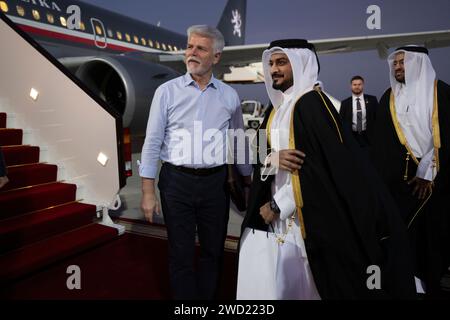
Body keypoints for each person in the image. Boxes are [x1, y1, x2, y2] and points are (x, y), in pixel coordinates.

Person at [237, 39, 416, 300]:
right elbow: (261, 154)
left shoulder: (311, 105)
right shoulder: (275, 110)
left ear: (300, 64)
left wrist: (277, 206)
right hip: (277, 221)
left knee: (311, 287)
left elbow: (318, 168)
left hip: (307, 220)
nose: (274, 69)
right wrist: (271, 160)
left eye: (281, 62)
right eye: (271, 63)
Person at [139, 25, 252, 300]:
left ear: (216, 57)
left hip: (216, 185)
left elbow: (237, 142)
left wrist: (250, 181)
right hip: (175, 183)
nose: (191, 53)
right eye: (189, 46)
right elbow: (152, 142)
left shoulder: (229, 96)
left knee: (213, 251)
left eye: (200, 48)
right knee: (181, 253)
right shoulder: (166, 92)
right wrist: (147, 192)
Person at [371, 46, 450, 298]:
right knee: (400, 239)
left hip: (433, 184)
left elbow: (444, 137)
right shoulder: (389, 98)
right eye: (394, 63)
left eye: (403, 63)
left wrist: (428, 173)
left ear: (419, 64)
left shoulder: (442, 94)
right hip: (398, 186)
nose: (397, 67)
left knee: (430, 239)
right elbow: (379, 144)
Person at [339, 76, 378, 147]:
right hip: (352, 137)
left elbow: (378, 118)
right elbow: (341, 121)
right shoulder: (345, 103)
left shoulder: (372, 100)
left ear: (363, 85)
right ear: (351, 86)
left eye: (359, 84)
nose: (357, 87)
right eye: (355, 85)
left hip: (369, 136)